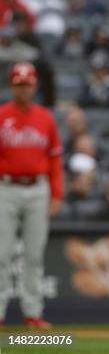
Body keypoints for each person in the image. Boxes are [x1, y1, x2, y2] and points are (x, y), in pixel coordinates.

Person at [0, 63, 64, 329]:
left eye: (27, 83)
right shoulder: (2, 115)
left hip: (38, 189)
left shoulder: (45, 118)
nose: (24, 88)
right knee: (1, 255)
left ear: (35, 86)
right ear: (12, 86)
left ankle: (33, 314)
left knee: (34, 255)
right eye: (19, 83)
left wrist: (57, 194)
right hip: (6, 188)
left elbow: (55, 160)